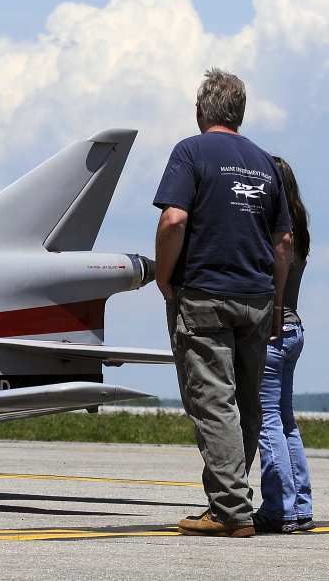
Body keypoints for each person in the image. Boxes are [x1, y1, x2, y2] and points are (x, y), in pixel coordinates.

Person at [154, 68, 292, 538]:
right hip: (256, 299)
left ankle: (231, 510)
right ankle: (228, 500)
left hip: (205, 294)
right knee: (246, 403)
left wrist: (164, 277)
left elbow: (174, 219)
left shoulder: (190, 151)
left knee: (213, 401)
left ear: (200, 111)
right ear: (241, 113)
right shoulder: (264, 161)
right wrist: (275, 304)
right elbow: (284, 242)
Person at [253, 156, 315, 533]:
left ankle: (280, 508)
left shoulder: (276, 236)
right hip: (295, 331)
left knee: (267, 420)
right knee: (286, 420)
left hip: (273, 333)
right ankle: (300, 505)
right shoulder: (300, 233)